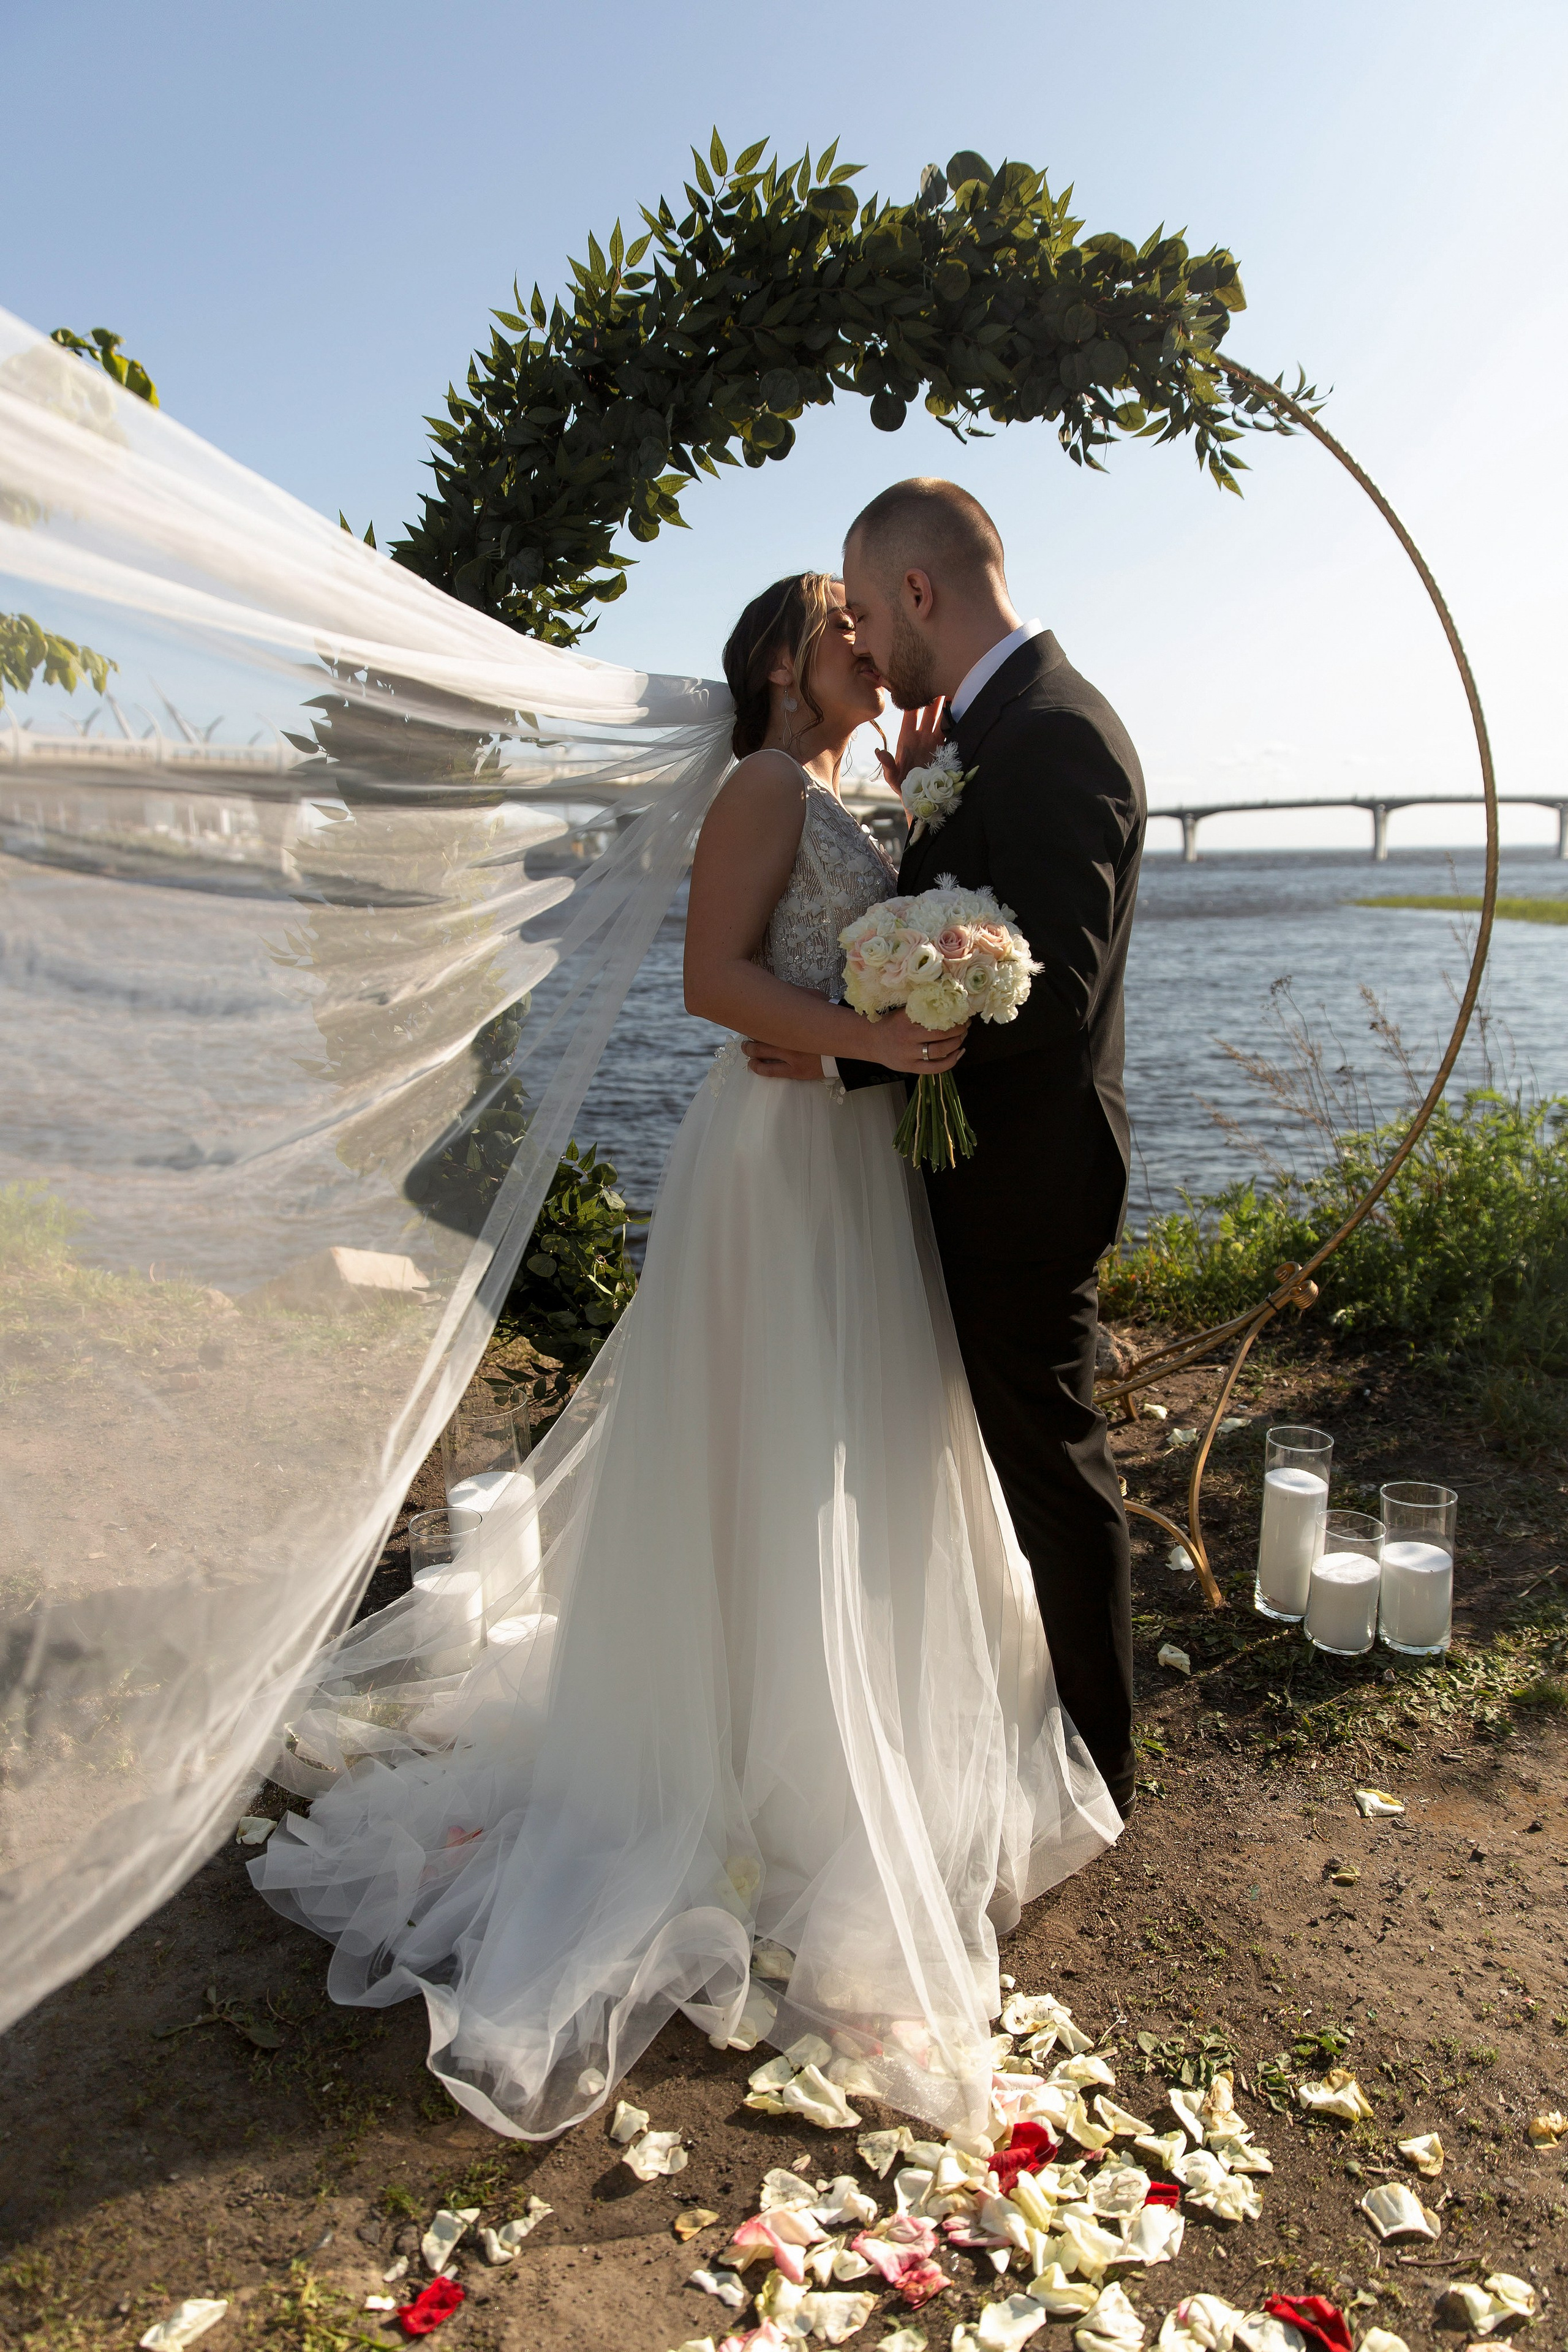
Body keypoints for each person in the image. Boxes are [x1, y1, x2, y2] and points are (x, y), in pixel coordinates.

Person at [251, 568, 1120, 2143]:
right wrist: (881, 1036)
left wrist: (896, 988)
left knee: (848, 1435)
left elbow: (855, 948)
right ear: (789, 659)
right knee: (765, 1437)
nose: (874, 646)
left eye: (880, 627)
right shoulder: (761, 785)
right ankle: (735, 1747)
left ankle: (822, 1711)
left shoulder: (857, 787)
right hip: (777, 1159)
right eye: (848, 630)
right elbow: (708, 983)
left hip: (848, 1156)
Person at [744, 481, 1145, 1815]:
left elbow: (1050, 990)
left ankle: (1095, 1762)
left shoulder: (1055, 734)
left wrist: (849, 1053)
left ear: (918, 593)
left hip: (1023, 1180)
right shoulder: (986, 735)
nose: (861, 637)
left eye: (864, 608)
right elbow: (965, 916)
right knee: (964, 1458)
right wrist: (923, 810)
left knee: (1044, 1455)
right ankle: (959, 1721)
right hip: (959, 1167)